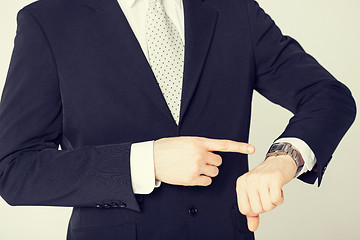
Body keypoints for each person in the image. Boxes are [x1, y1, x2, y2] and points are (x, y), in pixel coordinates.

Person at [0, 0, 356, 239]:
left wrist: (283, 160)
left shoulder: (235, 10)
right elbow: (14, 169)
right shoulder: (49, 20)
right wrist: (146, 161)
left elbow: (328, 96)